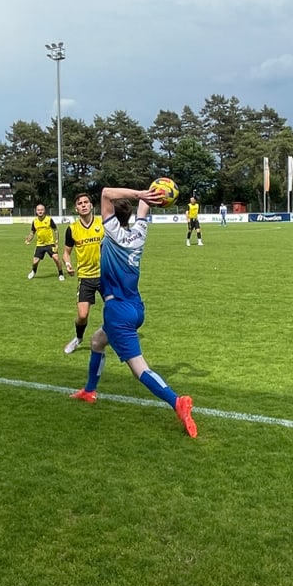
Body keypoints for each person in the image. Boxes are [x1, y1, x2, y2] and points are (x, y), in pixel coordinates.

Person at [70, 185, 198, 438]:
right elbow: (142, 211)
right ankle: (89, 391)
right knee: (97, 341)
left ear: (110, 217)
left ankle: (177, 402)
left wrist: (140, 193)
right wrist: (151, 193)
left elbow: (106, 192)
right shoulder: (139, 233)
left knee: (140, 370)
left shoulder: (113, 233)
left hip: (117, 310)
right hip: (135, 307)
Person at [62, 193, 105, 354]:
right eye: (80, 203)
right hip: (85, 277)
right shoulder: (72, 229)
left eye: (86, 202)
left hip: (105, 275)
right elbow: (66, 253)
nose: (83, 205)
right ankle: (78, 338)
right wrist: (68, 264)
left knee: (115, 310)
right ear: (76, 208)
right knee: (82, 315)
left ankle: (113, 337)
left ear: (92, 205)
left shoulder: (103, 224)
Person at [25, 203, 65, 281]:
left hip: (50, 243)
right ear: (36, 211)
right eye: (38, 210)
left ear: (44, 211)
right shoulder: (35, 221)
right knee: (35, 262)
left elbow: (56, 230)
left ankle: (61, 274)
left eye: (41, 210)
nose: (40, 211)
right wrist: (28, 239)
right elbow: (32, 232)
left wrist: (56, 242)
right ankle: (33, 271)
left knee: (56, 258)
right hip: (40, 244)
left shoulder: (49, 219)